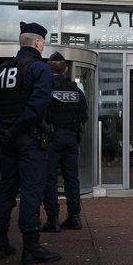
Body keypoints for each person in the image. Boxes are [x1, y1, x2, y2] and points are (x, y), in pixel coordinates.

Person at [0, 22, 60, 264]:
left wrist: (0, 130)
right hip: (29, 138)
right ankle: (31, 247)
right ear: (38, 43)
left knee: (5, 191)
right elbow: (38, 105)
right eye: (43, 42)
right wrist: (17, 129)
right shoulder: (40, 69)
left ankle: (0, 244)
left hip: (6, 139)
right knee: (31, 191)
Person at [40, 52, 88, 232]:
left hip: (51, 137)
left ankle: (52, 219)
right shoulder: (76, 90)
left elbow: (40, 112)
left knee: (49, 178)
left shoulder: (45, 88)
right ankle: (74, 217)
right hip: (71, 137)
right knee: (71, 178)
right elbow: (84, 115)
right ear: (66, 69)